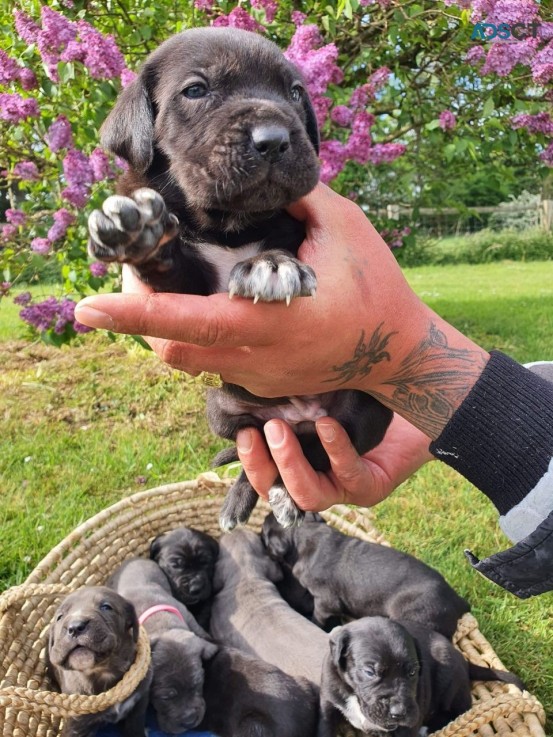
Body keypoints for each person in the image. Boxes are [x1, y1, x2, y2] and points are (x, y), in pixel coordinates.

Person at [75, 183, 553, 597]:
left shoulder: (284, 212)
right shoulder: (182, 207)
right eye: (197, 92)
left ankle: (269, 478)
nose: (272, 129)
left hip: (347, 407)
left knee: (303, 434)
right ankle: (262, 476)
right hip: (259, 406)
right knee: (228, 419)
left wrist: (405, 352)